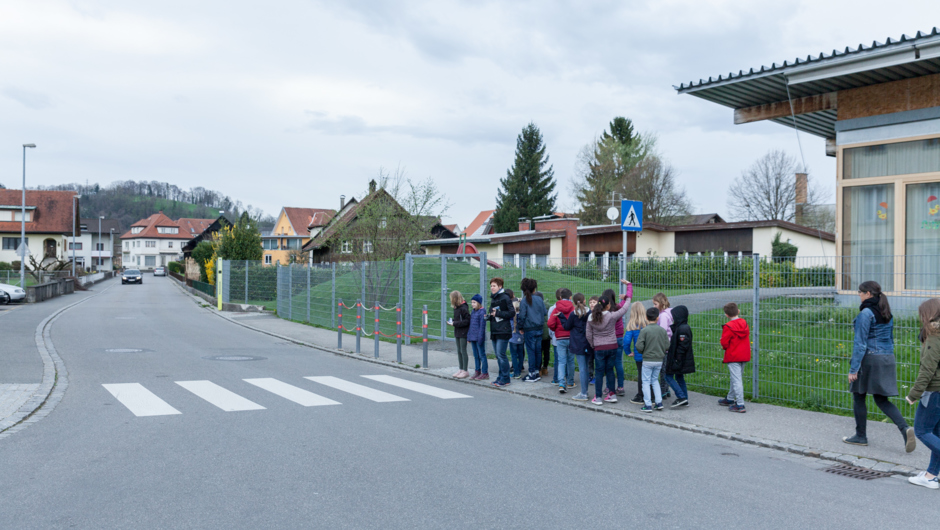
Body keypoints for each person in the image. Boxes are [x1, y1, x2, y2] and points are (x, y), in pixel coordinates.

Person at [843, 281, 915, 452]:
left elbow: (860, 343)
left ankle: (861, 436)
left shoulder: (866, 313)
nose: (858, 295)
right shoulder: (886, 312)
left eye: (860, 292)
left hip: (870, 358)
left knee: (858, 395)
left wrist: (854, 369)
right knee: (881, 398)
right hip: (887, 358)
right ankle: (905, 429)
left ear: (868, 294)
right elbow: (890, 339)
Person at [905, 298, 940, 489]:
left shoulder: (935, 336)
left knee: (922, 430)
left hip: (934, 392)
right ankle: (930, 476)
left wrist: (913, 394)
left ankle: (930, 476)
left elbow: (927, 370)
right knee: (936, 433)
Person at [586, 294, 630, 406]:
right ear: (608, 305)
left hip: (599, 348)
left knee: (599, 372)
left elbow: (588, 334)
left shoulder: (591, 317)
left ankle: (598, 397)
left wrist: (593, 344)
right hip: (612, 346)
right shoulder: (612, 316)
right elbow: (624, 309)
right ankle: (612, 395)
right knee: (610, 370)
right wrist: (628, 298)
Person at [602, 281, 633, 396]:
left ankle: (608, 387)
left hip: (608, 340)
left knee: (608, 364)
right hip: (619, 338)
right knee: (618, 363)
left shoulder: (603, 311)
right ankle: (620, 387)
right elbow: (629, 298)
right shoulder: (619, 308)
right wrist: (629, 285)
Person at [559, 293, 592, 401]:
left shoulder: (573, 314)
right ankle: (585, 391)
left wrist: (561, 317)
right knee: (586, 368)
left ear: (573, 302)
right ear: (585, 301)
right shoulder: (590, 313)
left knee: (582, 369)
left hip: (578, 344)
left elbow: (567, 327)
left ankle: (584, 393)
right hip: (589, 343)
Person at [718, 302, 750, 412]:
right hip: (744, 354)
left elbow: (724, 343)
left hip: (733, 355)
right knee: (735, 377)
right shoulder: (744, 323)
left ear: (726, 315)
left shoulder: (728, 327)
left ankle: (740, 404)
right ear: (738, 311)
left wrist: (724, 346)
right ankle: (730, 398)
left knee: (736, 380)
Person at [636, 307, 669, 412]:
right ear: (658, 318)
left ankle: (648, 404)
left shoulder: (644, 331)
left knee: (645, 381)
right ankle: (659, 402)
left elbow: (639, 346)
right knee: (655, 380)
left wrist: (643, 352)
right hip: (659, 360)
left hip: (647, 359)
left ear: (646, 317)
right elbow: (667, 345)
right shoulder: (662, 331)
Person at [487, 277, 516, 387]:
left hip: (503, 330)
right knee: (498, 355)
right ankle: (500, 377)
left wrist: (498, 313)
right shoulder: (494, 298)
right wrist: (489, 316)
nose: (492, 288)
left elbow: (511, 313)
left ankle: (505, 378)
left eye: (494, 286)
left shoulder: (505, 297)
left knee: (501, 354)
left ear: (500, 286)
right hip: (495, 329)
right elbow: (493, 313)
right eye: (491, 286)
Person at [664, 305, 694, 408]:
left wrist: (677, 360)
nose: (673, 318)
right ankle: (684, 398)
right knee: (679, 377)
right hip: (678, 358)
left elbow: (683, 346)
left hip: (678, 358)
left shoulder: (683, 329)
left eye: (674, 316)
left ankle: (681, 397)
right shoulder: (680, 327)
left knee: (667, 376)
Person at [518, 278, 546, 382]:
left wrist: (520, 327)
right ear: (534, 288)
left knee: (531, 352)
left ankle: (532, 373)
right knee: (538, 351)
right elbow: (544, 312)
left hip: (529, 329)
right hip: (539, 328)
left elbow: (522, 316)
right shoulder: (539, 299)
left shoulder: (524, 301)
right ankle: (537, 372)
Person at [548, 288, 575, 393]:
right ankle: (570, 381)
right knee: (571, 360)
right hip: (571, 337)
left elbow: (550, 323)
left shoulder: (556, 309)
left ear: (560, 297)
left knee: (561, 361)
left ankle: (561, 384)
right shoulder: (573, 308)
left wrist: (556, 330)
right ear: (570, 297)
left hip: (560, 338)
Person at [624, 302, 649, 405]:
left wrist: (628, 351)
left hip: (639, 355)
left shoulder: (632, 325)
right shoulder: (648, 324)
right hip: (650, 354)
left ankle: (641, 395)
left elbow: (626, 341)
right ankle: (651, 395)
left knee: (641, 375)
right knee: (650, 376)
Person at [653, 292, 673, 399]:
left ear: (661, 303)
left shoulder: (664, 315)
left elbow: (662, 331)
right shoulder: (666, 313)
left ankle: (663, 391)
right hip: (666, 344)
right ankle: (666, 389)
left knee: (663, 370)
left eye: (655, 304)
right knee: (664, 368)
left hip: (663, 346)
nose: (654, 306)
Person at [448, 291, 471, 379]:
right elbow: (458, 319)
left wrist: (455, 323)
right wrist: (453, 322)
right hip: (457, 331)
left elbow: (467, 321)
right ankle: (460, 369)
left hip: (463, 332)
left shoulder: (463, 308)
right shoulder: (456, 308)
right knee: (458, 350)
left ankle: (465, 370)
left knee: (463, 350)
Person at [467, 294, 488, 380]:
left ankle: (485, 372)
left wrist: (480, 338)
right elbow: (471, 325)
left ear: (479, 303)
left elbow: (482, 327)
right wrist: (468, 336)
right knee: (475, 355)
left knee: (482, 355)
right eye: (472, 302)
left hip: (479, 338)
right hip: (473, 337)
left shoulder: (482, 312)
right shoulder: (473, 311)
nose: (472, 304)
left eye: (474, 302)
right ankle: (477, 371)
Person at [508, 289, 525, 379]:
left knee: (514, 355)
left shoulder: (511, 318)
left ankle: (516, 372)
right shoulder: (521, 317)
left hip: (513, 337)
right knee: (520, 354)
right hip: (521, 336)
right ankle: (520, 368)